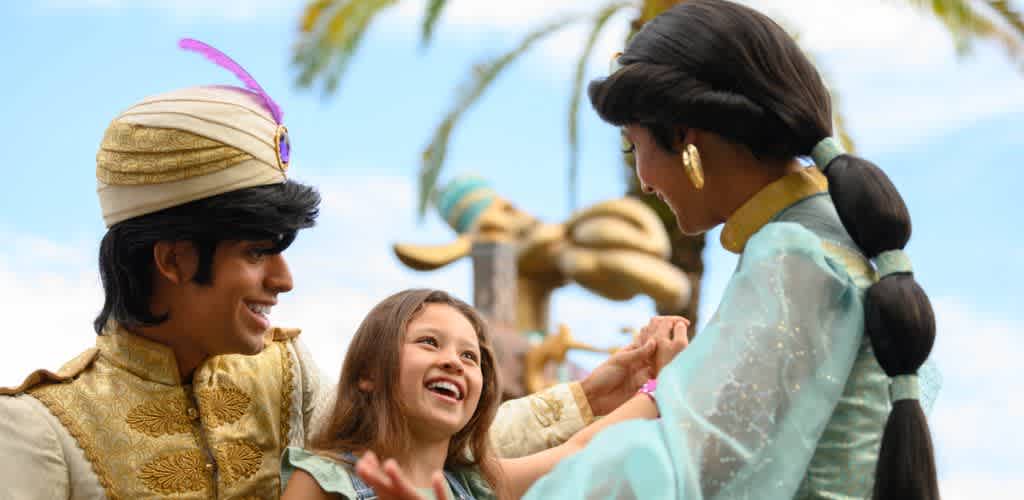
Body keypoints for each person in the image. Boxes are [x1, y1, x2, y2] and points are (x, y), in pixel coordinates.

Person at [0, 40, 653, 499]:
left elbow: (420, 443)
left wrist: (589, 396)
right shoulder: (41, 429)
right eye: (257, 253)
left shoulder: (284, 376)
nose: (284, 280)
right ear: (171, 259)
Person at [359, 1, 943, 499]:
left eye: (631, 147)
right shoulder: (813, 243)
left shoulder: (795, 258)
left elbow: (679, 469)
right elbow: (642, 438)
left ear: (686, 138)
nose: (642, 180)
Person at [280, 289, 690, 500]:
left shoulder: (479, 484)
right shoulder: (323, 481)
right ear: (368, 372)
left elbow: (579, 449)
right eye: (428, 342)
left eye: (470, 356)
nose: (453, 362)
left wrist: (659, 387)